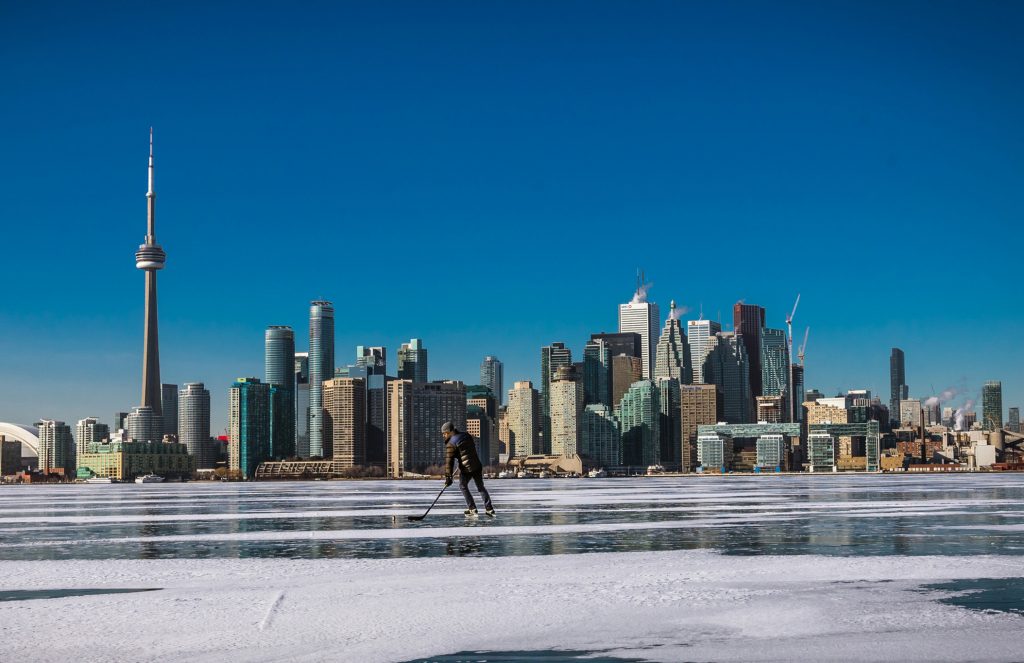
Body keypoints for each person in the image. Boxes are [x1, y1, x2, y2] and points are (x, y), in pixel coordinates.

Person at [442, 421, 494, 516]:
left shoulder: (451, 444)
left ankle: (472, 508)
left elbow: (449, 462)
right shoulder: (466, 435)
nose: (444, 435)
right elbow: (468, 451)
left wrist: (448, 477)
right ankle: (489, 508)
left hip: (466, 469)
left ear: (449, 431)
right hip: (477, 466)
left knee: (463, 486)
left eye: (444, 433)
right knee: (480, 487)